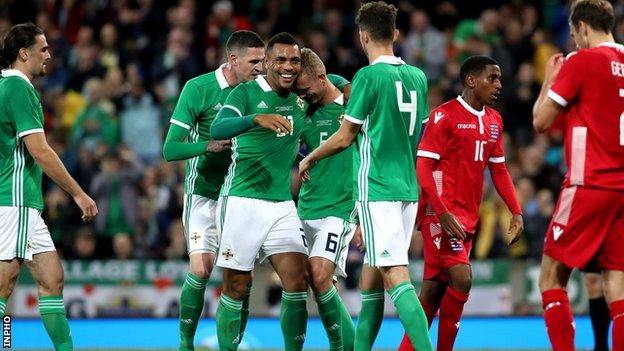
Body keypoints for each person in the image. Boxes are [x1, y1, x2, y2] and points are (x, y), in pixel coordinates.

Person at [299, 2, 433, 350]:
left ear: (363, 37)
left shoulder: (367, 78)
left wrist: (309, 157)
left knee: (395, 277)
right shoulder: (418, 77)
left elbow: (345, 136)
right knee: (372, 278)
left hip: (378, 190)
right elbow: (420, 135)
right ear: (396, 34)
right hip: (407, 189)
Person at [397, 55, 524, 351]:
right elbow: (423, 167)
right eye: (492, 78)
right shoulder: (445, 116)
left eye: (500, 78)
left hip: (466, 217)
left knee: (431, 294)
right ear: (470, 80)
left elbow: (499, 169)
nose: (498, 85)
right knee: (462, 278)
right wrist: (440, 212)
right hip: (439, 214)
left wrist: (515, 210)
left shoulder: (494, 121)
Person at [162, 30, 265, 351]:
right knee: (202, 268)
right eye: (255, 61)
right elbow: (170, 149)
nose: (262, 68)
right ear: (233, 59)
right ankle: (185, 344)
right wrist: (206, 145)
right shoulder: (199, 89)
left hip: (242, 196)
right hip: (204, 194)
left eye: (263, 61)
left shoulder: (259, 89)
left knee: (240, 276)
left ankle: (234, 343)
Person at [0, 23, 98, 351]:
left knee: (52, 278)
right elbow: (40, 150)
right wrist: (78, 192)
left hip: (24, 202)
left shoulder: (6, 86)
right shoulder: (18, 88)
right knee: (4, 286)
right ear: (23, 53)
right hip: (13, 201)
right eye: (42, 49)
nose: (49, 55)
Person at [532, 0, 624, 349]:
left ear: (584, 27)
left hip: (589, 184)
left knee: (551, 277)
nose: (573, 42)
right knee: (617, 284)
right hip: (622, 190)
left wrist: (548, 81)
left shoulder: (582, 61)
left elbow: (541, 122)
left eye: (573, 35)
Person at [210, 32, 310, 351]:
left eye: (294, 60)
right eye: (280, 59)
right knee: (237, 287)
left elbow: (327, 81)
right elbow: (218, 129)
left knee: (297, 281)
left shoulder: (299, 101)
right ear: (266, 62)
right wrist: (255, 119)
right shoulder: (245, 94)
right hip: (242, 201)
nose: (288, 66)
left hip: (282, 205)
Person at [294, 47, 356, 351]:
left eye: (306, 90)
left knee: (320, 277)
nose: (303, 96)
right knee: (320, 286)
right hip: (306, 206)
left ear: (321, 78)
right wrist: (298, 156)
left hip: (340, 207)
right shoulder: (302, 110)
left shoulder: (352, 104)